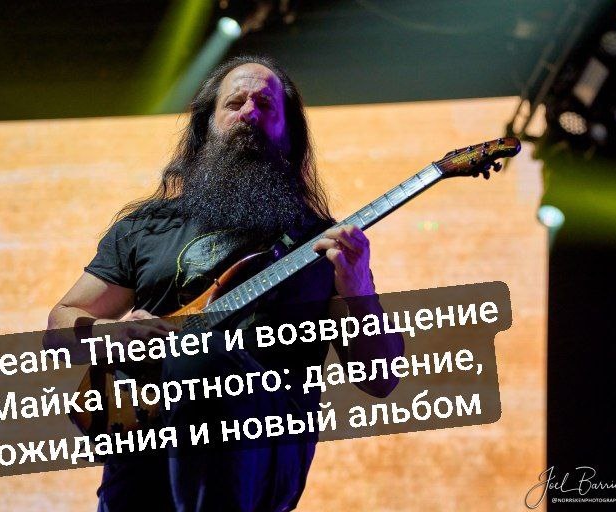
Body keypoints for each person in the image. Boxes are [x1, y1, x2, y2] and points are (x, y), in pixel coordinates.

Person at [45, 55, 404, 512]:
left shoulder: (321, 246)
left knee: (205, 358)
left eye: (266, 105)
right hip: (143, 449)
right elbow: (60, 327)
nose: (250, 112)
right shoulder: (147, 228)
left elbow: (380, 379)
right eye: (235, 102)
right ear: (206, 126)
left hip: (263, 450)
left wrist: (358, 290)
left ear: (288, 133)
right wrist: (113, 334)